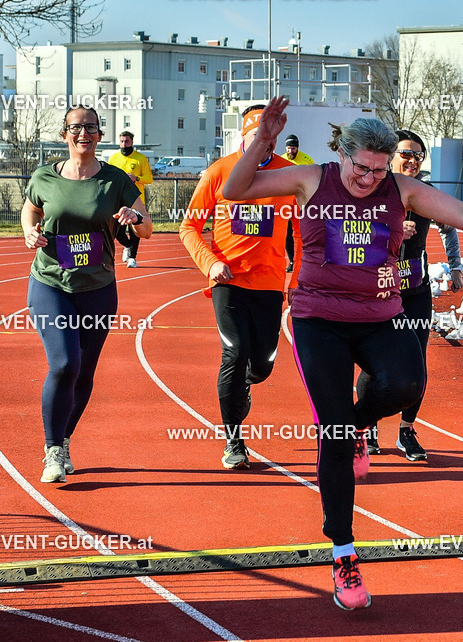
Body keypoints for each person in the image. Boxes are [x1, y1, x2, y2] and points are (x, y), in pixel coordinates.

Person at [221, 96, 463, 611]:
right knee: (333, 435)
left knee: (407, 385)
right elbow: (235, 189)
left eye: (379, 170)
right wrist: (264, 143)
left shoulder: (400, 188)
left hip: (379, 315)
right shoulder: (310, 179)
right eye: (363, 168)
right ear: (343, 152)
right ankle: (343, 551)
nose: (369, 179)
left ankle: (360, 424)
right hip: (319, 320)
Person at [20, 105, 152, 483]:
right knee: (64, 364)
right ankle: (52, 450)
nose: (84, 134)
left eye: (91, 128)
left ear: (100, 134)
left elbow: (148, 230)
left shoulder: (117, 180)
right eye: (76, 128)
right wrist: (29, 231)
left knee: (84, 373)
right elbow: (29, 210)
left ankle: (63, 440)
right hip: (50, 282)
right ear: (65, 135)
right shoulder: (44, 176)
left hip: (97, 288)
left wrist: (135, 218)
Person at [180, 106, 301, 470]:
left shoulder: (290, 175)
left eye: (270, 140)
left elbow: (303, 233)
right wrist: (210, 263)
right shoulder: (218, 172)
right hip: (227, 282)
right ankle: (234, 439)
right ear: (244, 137)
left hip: (268, 286)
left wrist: (297, 281)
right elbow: (189, 227)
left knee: (261, 364)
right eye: (258, 138)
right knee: (233, 354)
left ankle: (245, 384)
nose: (264, 146)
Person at [363, 129, 463, 461]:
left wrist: (456, 268)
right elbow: (351, 235)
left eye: (418, 156)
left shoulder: (426, 193)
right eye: (406, 154)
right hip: (378, 290)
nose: (412, 161)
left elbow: (451, 227)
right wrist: (389, 231)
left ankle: (406, 431)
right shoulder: (373, 192)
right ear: (391, 157)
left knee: (417, 364)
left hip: (415, 291)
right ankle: (368, 427)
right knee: (374, 363)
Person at [108, 131, 153, 268]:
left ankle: (133, 257)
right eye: (121, 141)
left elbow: (149, 178)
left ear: (131, 142)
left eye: (126, 141)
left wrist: (136, 178)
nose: (123, 144)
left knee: (135, 229)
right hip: (117, 200)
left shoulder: (140, 159)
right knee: (118, 230)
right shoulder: (114, 158)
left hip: (136, 200)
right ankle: (127, 246)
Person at [282, 135, 314, 272]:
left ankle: (303, 262)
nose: (290, 151)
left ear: (297, 148)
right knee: (286, 233)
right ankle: (292, 261)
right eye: (288, 148)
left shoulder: (307, 160)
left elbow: (313, 180)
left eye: (293, 148)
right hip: (285, 202)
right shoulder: (281, 159)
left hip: (301, 202)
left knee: (302, 233)